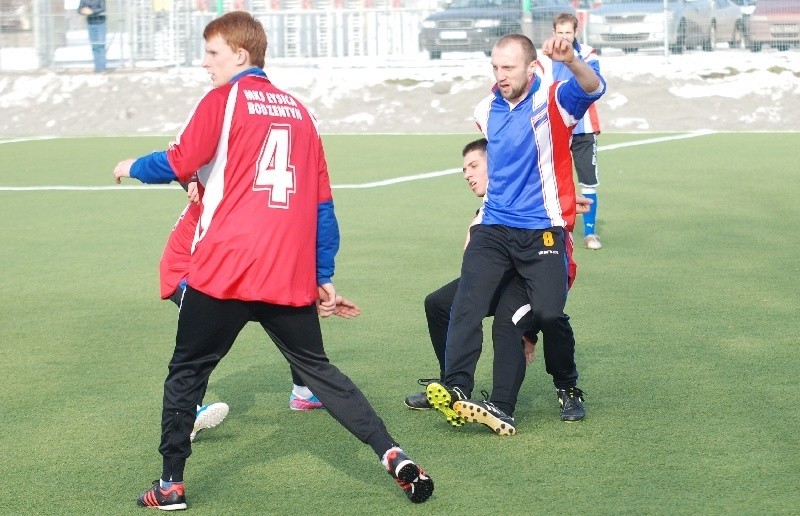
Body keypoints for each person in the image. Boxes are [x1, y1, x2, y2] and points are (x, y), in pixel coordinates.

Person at [113, 12, 432, 509]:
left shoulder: (223, 99)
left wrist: (131, 166)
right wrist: (323, 275)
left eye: (212, 53)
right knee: (320, 371)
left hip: (225, 268)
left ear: (240, 55)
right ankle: (391, 452)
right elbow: (324, 207)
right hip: (287, 272)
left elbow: (178, 161)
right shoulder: (301, 112)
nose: (205, 64)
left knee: (186, 373)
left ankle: (170, 484)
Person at [425, 33, 605, 428]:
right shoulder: (485, 109)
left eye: (508, 67)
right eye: (495, 67)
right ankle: (456, 389)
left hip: (542, 232)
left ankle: (567, 384)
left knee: (548, 315)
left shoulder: (554, 100)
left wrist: (573, 60)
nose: (500, 75)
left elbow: (594, 86)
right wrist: (477, 218)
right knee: (465, 302)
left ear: (531, 67)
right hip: (494, 227)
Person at [406, 138, 591, 436]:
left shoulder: (534, 195)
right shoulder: (489, 209)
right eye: (464, 169)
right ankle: (452, 387)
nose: (467, 174)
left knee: (526, 319)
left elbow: (555, 197)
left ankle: (562, 388)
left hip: (537, 276)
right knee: (439, 303)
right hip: (504, 275)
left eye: (474, 166)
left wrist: (568, 203)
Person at [162, 182, 361, 416]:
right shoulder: (250, 201)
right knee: (202, 343)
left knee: (294, 305)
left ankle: (304, 392)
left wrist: (310, 291)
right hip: (189, 276)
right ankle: (187, 413)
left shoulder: (255, 196)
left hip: (219, 272)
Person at [551, 12, 604, 250]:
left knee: (587, 182)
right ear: (554, 33)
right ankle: (555, 229)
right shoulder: (544, 57)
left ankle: (590, 233)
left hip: (583, 129)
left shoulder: (588, 54)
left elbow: (592, 83)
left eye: (568, 33)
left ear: (576, 33)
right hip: (556, 127)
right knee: (552, 179)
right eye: (559, 32)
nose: (563, 37)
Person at [77, 0, 107, 73]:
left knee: (100, 45)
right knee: (94, 46)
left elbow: (102, 8)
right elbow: (79, 9)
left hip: (100, 23)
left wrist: (91, 11)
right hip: (90, 23)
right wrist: (82, 10)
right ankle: (97, 68)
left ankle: (102, 68)